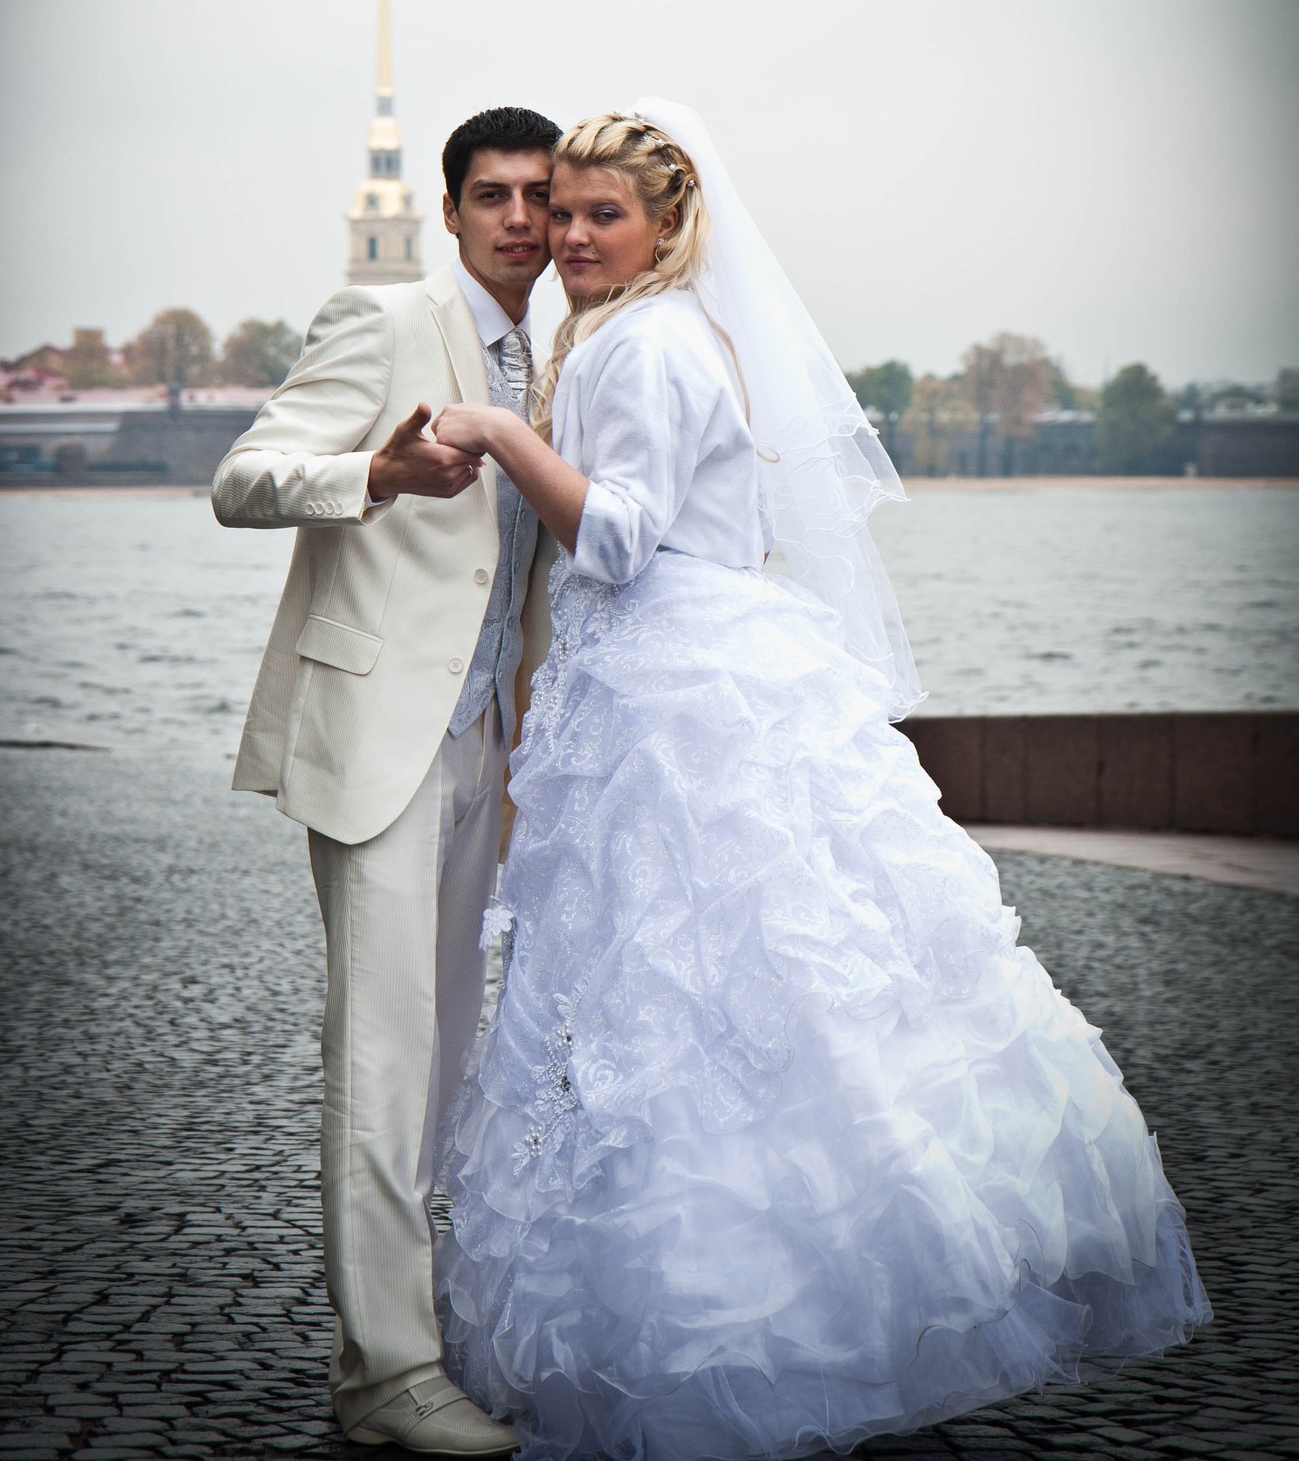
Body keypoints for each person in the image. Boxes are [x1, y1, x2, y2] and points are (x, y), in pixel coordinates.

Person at [428, 107, 1210, 1461]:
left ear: (668, 225)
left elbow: (618, 539)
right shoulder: (629, 332)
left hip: (678, 698)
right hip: (667, 682)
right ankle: (791, 1301)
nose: (570, 236)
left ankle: (742, 1322)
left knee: (696, 990)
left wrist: (500, 431)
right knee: (714, 989)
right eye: (563, 212)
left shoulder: (648, 342)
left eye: (605, 214)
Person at [212, 106, 564, 1454]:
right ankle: (387, 1376)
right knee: (383, 1054)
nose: (521, 219)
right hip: (377, 738)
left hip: (489, 744)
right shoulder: (381, 320)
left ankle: (426, 1339)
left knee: (449, 1056)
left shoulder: (558, 352)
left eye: (540, 195)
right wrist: (374, 471)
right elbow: (243, 481)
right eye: (494, 195)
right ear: (451, 208)